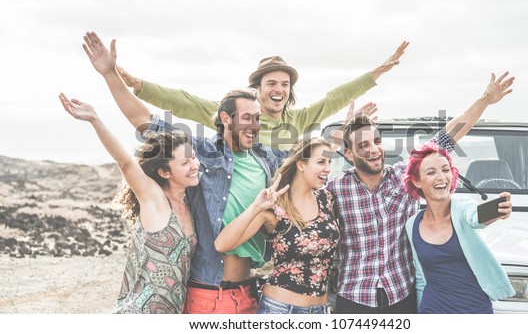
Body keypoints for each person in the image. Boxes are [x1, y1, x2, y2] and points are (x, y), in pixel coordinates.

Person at [82, 31, 287, 314]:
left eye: (258, 119)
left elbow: (309, 165)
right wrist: (109, 74)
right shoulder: (201, 152)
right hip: (209, 293)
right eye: (248, 118)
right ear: (226, 119)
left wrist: (345, 137)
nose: (255, 126)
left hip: (249, 291)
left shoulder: (268, 159)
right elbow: (145, 122)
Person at [326, 71, 516, 314]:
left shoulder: (405, 176)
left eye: (376, 141)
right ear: (349, 154)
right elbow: (302, 174)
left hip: (401, 296)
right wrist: (339, 133)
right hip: (354, 298)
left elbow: (449, 136)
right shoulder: (335, 190)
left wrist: (485, 99)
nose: (373, 150)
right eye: (363, 145)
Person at [116, 42, 409, 150]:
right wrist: (137, 84)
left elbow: (335, 97)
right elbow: (185, 102)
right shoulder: (237, 115)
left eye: (284, 84)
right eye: (271, 83)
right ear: (258, 88)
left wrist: (376, 73)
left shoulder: (300, 119)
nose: (278, 89)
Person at [58, 93, 198, 314]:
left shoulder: (190, 203)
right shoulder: (156, 199)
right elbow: (125, 162)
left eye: (193, 158)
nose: (194, 165)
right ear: (164, 172)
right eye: (185, 162)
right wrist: (95, 119)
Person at [214, 137, 339, 314]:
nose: (328, 168)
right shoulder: (274, 207)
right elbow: (221, 244)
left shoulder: (326, 198)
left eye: (329, 162)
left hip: (320, 310)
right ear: (301, 165)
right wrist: (256, 206)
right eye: (321, 162)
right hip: (281, 309)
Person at [403, 142, 515, 313]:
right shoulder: (412, 224)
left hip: (474, 309)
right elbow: (420, 278)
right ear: (417, 181)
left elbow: (475, 217)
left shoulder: (463, 208)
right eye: (431, 172)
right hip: (432, 309)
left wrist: (497, 211)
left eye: (445, 170)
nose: (441, 177)